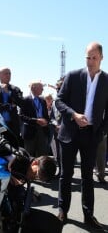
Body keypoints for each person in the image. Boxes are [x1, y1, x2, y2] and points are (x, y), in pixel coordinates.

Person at [55, 42, 108, 230]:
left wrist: (101, 132)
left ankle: (88, 215)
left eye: (94, 58)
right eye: (88, 57)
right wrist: (73, 115)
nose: (91, 61)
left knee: (87, 177)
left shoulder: (106, 81)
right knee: (65, 175)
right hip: (69, 133)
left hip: (91, 136)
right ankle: (63, 211)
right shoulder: (73, 76)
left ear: (101, 58)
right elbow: (59, 101)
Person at [0, 67, 24, 147]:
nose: (8, 75)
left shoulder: (15, 89)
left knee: (14, 147)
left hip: (12, 125)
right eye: (6, 73)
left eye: (9, 73)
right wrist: (10, 106)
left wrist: (8, 92)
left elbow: (21, 103)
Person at [19, 81, 50, 157]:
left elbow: (46, 115)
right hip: (30, 132)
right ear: (33, 88)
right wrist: (36, 121)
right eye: (41, 88)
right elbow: (21, 116)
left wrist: (46, 121)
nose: (43, 89)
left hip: (42, 131)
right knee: (29, 155)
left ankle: (41, 169)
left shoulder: (42, 101)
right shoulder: (25, 100)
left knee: (42, 155)